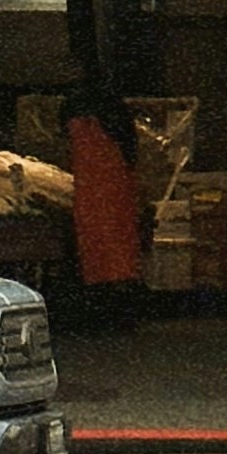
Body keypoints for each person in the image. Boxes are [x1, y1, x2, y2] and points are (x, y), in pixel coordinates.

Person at [62, 87, 143, 314]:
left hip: (95, 192)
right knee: (116, 240)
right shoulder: (113, 119)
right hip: (110, 191)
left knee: (102, 240)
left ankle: (110, 296)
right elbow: (130, 151)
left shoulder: (84, 122)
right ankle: (119, 294)